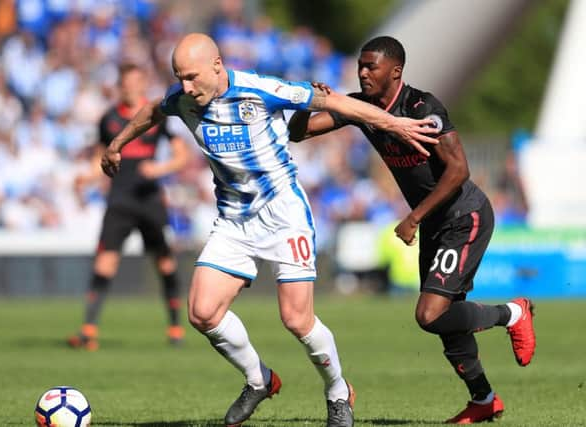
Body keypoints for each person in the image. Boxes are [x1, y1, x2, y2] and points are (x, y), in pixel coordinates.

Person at [100, 33, 438, 427]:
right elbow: (149, 113)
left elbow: (336, 103)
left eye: (192, 77)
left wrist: (394, 124)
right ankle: (259, 379)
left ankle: (338, 391)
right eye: (179, 78)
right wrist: (116, 145)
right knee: (202, 313)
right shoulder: (182, 99)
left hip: (283, 215)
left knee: (296, 320)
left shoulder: (261, 90)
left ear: (217, 65)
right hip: (234, 219)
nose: (186, 87)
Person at [288, 36, 537, 424]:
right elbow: (298, 133)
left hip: (464, 216)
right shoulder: (362, 106)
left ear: (396, 71)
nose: (363, 72)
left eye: (371, 66)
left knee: (429, 314)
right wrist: (308, 104)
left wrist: (414, 217)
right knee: (444, 319)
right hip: (436, 221)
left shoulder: (423, 107)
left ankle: (513, 313)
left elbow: (459, 170)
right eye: (360, 65)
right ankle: (484, 399)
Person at [67, 63, 190, 351]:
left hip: (149, 199)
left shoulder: (158, 115)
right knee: (105, 262)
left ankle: (174, 327)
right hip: (120, 199)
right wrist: (87, 176)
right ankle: (88, 329)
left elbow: (181, 156)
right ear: (120, 86)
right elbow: (101, 157)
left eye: (136, 81)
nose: (130, 87)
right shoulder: (108, 119)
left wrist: (158, 170)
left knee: (165, 262)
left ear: (143, 83)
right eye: (126, 82)